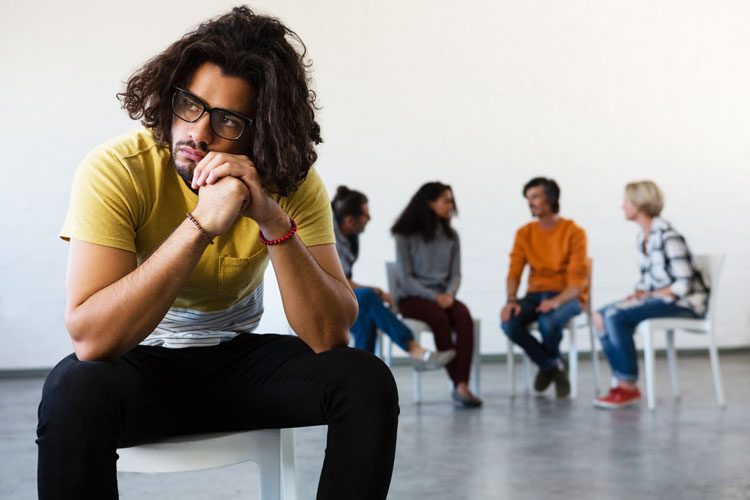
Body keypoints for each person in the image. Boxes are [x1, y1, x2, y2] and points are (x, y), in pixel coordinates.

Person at [36, 8, 398, 500]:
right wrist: (201, 224)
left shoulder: (291, 185)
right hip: (139, 366)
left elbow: (330, 334)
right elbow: (92, 340)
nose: (199, 133)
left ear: (262, 131)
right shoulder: (117, 169)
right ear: (171, 94)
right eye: (191, 105)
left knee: (365, 381)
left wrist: (271, 219)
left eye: (227, 120)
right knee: (73, 392)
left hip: (237, 368)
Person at [593, 181, 708, 409]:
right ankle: (622, 381)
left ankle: (628, 386)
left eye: (626, 202)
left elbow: (683, 284)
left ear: (639, 203)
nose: (622, 206)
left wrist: (649, 295)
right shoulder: (643, 238)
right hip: (658, 299)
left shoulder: (668, 236)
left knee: (615, 315)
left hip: (683, 304)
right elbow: (649, 280)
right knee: (600, 316)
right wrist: (639, 294)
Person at [332, 186, 456, 369]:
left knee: (366, 314)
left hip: (341, 294)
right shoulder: (329, 237)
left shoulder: (350, 238)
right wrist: (376, 291)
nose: (370, 218)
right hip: (322, 298)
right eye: (366, 215)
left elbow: (343, 278)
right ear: (350, 220)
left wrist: (376, 292)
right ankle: (414, 349)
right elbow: (334, 280)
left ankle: (359, 373)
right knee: (367, 297)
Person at [391, 182, 482, 408]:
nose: (451, 205)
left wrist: (449, 294)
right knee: (439, 318)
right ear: (430, 204)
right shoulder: (404, 235)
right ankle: (459, 384)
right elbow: (406, 278)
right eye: (446, 200)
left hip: (444, 296)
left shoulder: (452, 237)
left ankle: (461, 385)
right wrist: (435, 297)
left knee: (463, 316)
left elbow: (456, 274)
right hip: (413, 298)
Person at [500, 177, 589, 398]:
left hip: (568, 296)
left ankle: (549, 365)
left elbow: (577, 283)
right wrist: (511, 300)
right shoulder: (524, 233)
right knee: (508, 322)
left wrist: (556, 301)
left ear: (551, 198)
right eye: (528, 198)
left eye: (535, 197)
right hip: (534, 295)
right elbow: (514, 272)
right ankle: (552, 364)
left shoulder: (574, 232)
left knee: (547, 322)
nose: (530, 203)